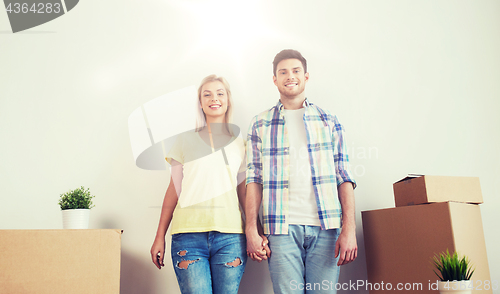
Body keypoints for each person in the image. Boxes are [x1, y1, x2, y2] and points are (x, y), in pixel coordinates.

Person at [245, 49, 357, 293]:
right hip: (280, 229)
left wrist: (349, 229)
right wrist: (251, 230)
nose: (290, 76)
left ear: (306, 76)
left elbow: (344, 177)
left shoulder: (329, 120)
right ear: (274, 79)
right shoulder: (260, 123)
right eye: (283, 72)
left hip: (326, 229)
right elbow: (253, 179)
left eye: (296, 71)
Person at [150, 74, 248, 294]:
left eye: (220, 93)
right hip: (188, 237)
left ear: (228, 100)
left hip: (231, 237)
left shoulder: (241, 145)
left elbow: (244, 193)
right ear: (201, 103)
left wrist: (255, 230)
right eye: (208, 94)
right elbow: (174, 189)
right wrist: (159, 237)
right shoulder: (184, 140)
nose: (214, 98)